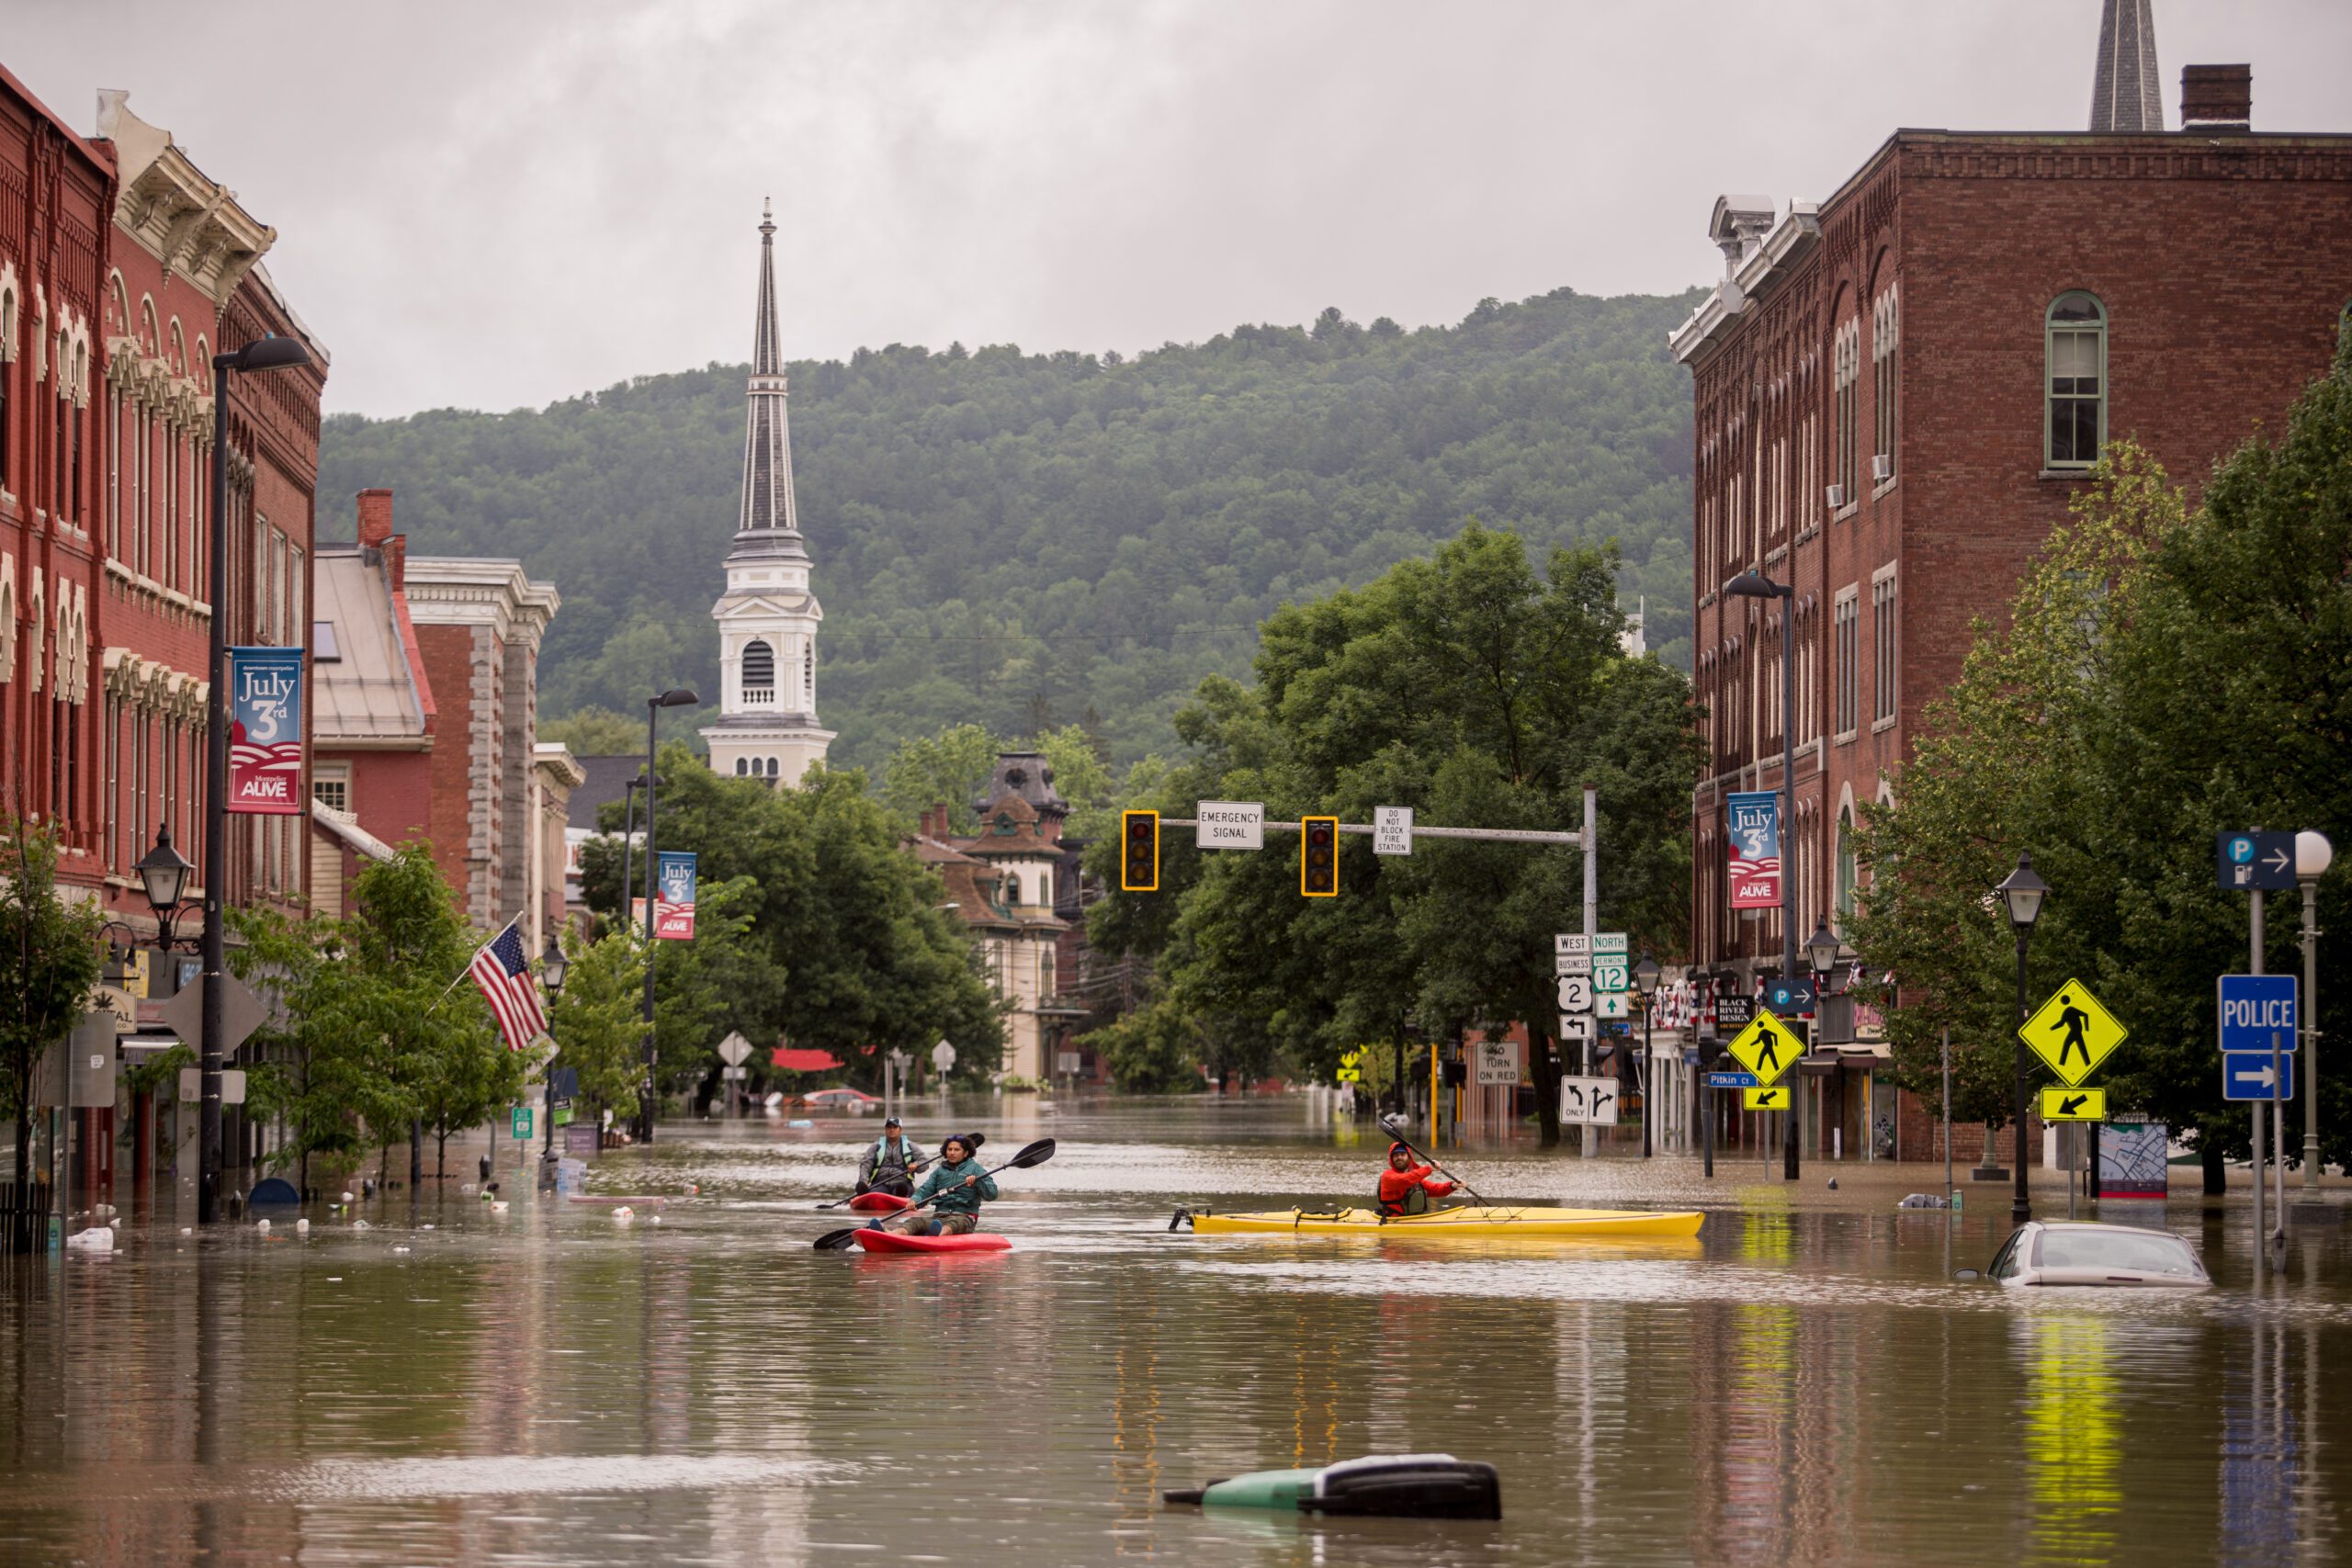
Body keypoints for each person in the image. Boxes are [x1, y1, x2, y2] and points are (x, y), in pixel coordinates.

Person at [899, 1134, 997, 1235]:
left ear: (966, 1153)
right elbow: (925, 1189)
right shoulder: (939, 1171)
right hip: (939, 1217)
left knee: (952, 1224)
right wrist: (915, 1200)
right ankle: (893, 1234)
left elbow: (992, 1194)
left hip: (964, 1218)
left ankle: (935, 1237)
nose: (952, 1153)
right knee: (915, 1222)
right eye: (949, 1149)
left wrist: (977, 1181)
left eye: (956, 1150)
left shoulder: (976, 1169)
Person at [1376, 1142, 1455, 1217]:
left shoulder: (1415, 1179)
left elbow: (1435, 1189)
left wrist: (1452, 1186)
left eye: (1403, 1154)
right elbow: (1405, 1180)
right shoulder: (1387, 1176)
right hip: (1392, 1220)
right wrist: (1429, 1169)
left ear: (1409, 1158)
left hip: (1411, 1219)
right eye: (1396, 1155)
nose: (1399, 1157)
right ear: (1391, 1159)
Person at [855, 1116, 927, 1198]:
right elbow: (866, 1165)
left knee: (901, 1188)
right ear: (885, 1129)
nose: (891, 1130)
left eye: (895, 1127)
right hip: (880, 1183)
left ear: (900, 1129)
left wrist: (916, 1164)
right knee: (874, 1193)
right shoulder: (876, 1146)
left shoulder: (910, 1146)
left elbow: (924, 1163)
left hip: (902, 1183)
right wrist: (864, 1181)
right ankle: (868, 1195)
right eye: (889, 1127)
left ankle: (900, 1197)